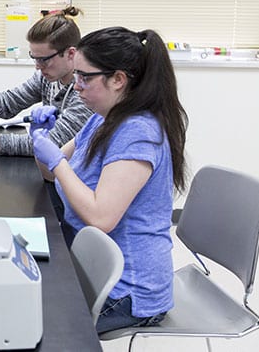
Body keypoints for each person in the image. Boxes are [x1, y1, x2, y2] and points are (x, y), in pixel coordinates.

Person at [29, 27, 188, 333]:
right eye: (76, 76)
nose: (76, 87)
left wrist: (58, 161)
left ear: (118, 79)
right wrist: (40, 140)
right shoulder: (102, 117)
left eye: (85, 78)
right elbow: (50, 171)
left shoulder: (139, 132)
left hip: (128, 291)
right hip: (94, 265)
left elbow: (100, 217)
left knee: (32, 327)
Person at [0, 7, 92, 157]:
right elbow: (7, 105)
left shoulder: (85, 92)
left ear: (71, 53)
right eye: (34, 58)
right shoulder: (46, 78)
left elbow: (51, 144)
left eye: (43, 60)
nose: (38, 67)